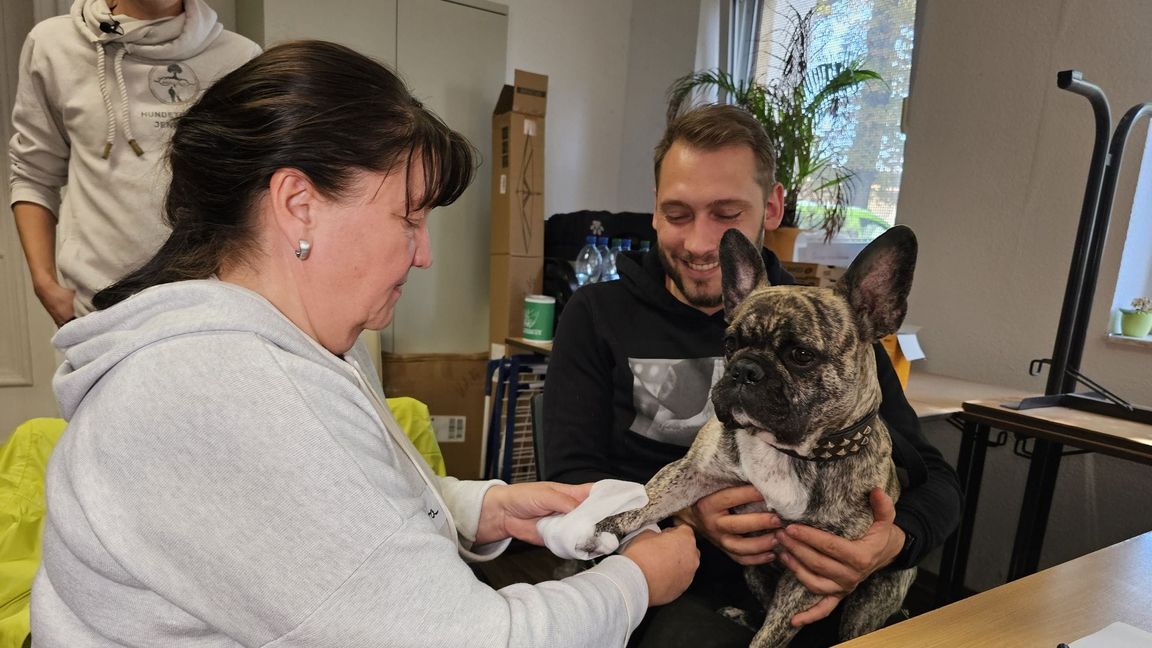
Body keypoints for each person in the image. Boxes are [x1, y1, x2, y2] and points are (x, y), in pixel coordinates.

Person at [32, 41, 699, 647]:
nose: (425, 253)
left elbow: (344, 509)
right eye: (409, 218)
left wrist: (480, 508)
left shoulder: (302, 343)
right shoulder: (222, 389)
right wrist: (635, 582)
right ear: (299, 204)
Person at [542, 104, 962, 647]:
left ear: (772, 206)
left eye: (725, 214)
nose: (699, 244)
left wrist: (891, 544)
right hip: (666, 575)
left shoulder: (835, 326)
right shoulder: (597, 315)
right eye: (677, 213)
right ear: (652, 210)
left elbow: (937, 479)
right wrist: (692, 516)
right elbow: (572, 481)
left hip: (817, 587)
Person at [9, 0, 261, 325]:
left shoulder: (240, 57)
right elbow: (32, 172)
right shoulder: (53, 45)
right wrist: (45, 283)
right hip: (96, 310)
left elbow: (254, 189)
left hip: (210, 308)